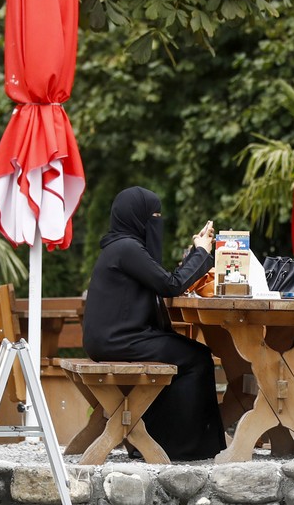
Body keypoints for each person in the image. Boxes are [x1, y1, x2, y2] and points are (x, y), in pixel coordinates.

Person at [83, 186, 226, 461]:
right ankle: (178, 446)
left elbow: (163, 279)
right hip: (119, 340)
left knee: (190, 352)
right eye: (153, 216)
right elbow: (170, 285)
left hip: (112, 338)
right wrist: (200, 252)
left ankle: (158, 437)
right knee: (196, 357)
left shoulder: (122, 246)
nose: (156, 222)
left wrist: (196, 254)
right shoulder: (127, 248)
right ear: (136, 218)